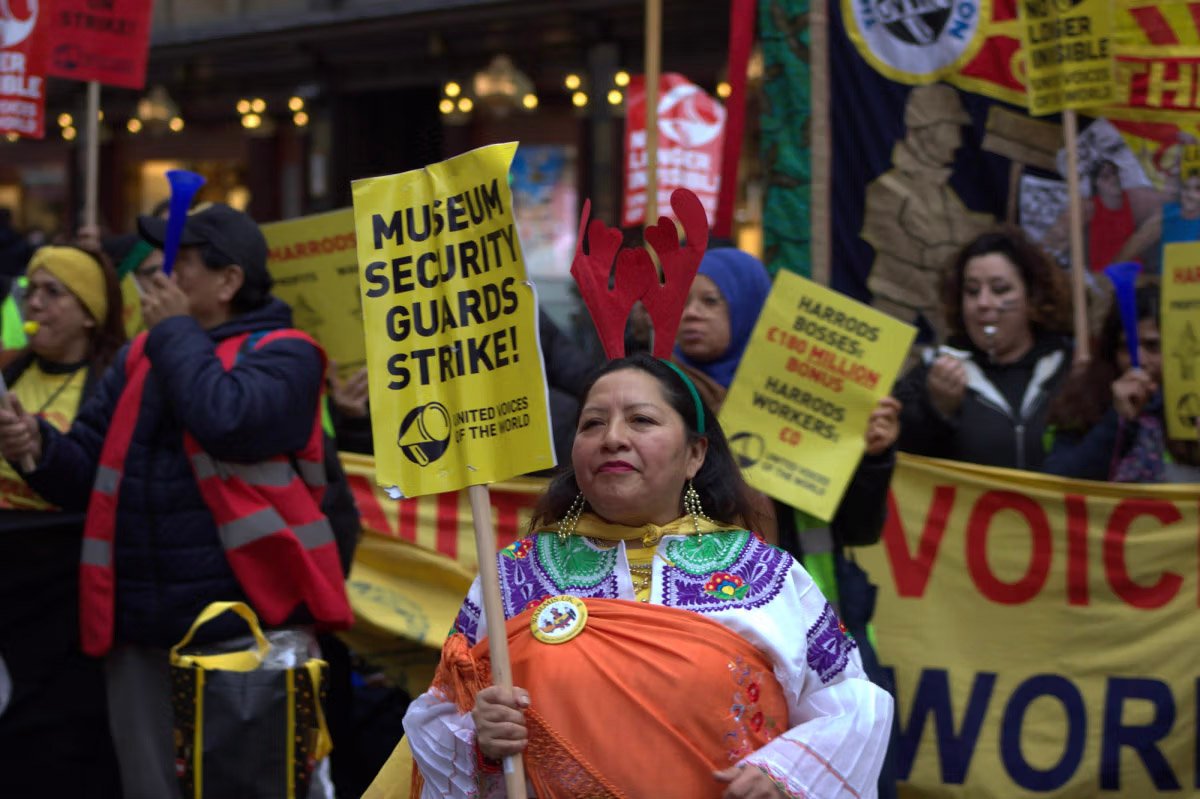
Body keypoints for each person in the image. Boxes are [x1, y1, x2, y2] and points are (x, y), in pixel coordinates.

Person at [402, 353, 892, 798]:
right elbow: (441, 713)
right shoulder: (513, 575)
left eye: (641, 420)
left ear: (695, 454)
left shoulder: (767, 574)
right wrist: (481, 738)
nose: (612, 437)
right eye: (592, 423)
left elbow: (848, 703)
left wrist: (786, 773)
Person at [0, 203, 353, 799]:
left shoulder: (287, 353)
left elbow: (228, 418)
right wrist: (35, 445)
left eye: (180, 264)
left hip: (244, 626)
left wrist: (173, 333)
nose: (159, 278)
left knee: (247, 787)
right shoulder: (145, 355)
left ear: (228, 281)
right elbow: (85, 469)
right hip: (140, 628)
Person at [674, 246, 903, 798]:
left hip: (819, 627)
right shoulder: (661, 399)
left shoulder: (798, 392)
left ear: (751, 309)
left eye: (712, 301)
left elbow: (858, 528)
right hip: (713, 632)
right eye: (684, 299)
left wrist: (871, 456)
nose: (692, 313)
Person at [0, 245, 125, 797]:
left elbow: (98, 477)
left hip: (68, 583)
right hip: (8, 579)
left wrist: (37, 447)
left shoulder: (109, 384)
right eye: (32, 291)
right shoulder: (13, 370)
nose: (37, 305)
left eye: (55, 293)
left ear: (91, 313)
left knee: (60, 738)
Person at [894, 227, 1073, 470]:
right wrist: (936, 410)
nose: (983, 303)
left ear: (1033, 298)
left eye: (1000, 290)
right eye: (972, 291)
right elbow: (896, 461)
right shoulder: (932, 372)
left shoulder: (1070, 369)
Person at [862, 83, 993, 342]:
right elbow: (895, 245)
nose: (956, 142)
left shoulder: (942, 192)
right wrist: (948, 251)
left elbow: (962, 229)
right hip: (897, 298)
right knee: (877, 364)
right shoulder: (888, 190)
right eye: (950, 130)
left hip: (937, 298)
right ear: (924, 132)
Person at [1044, 280, 1200, 481]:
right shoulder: (1083, 403)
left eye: (1153, 346)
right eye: (1126, 347)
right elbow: (1058, 484)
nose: (1139, 361)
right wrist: (1116, 421)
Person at [1114, 168, 1200, 273]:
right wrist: (1110, 273)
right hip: (1164, 284)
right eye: (1186, 188)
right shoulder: (1167, 214)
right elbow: (1136, 243)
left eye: (1198, 189)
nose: (1189, 194)